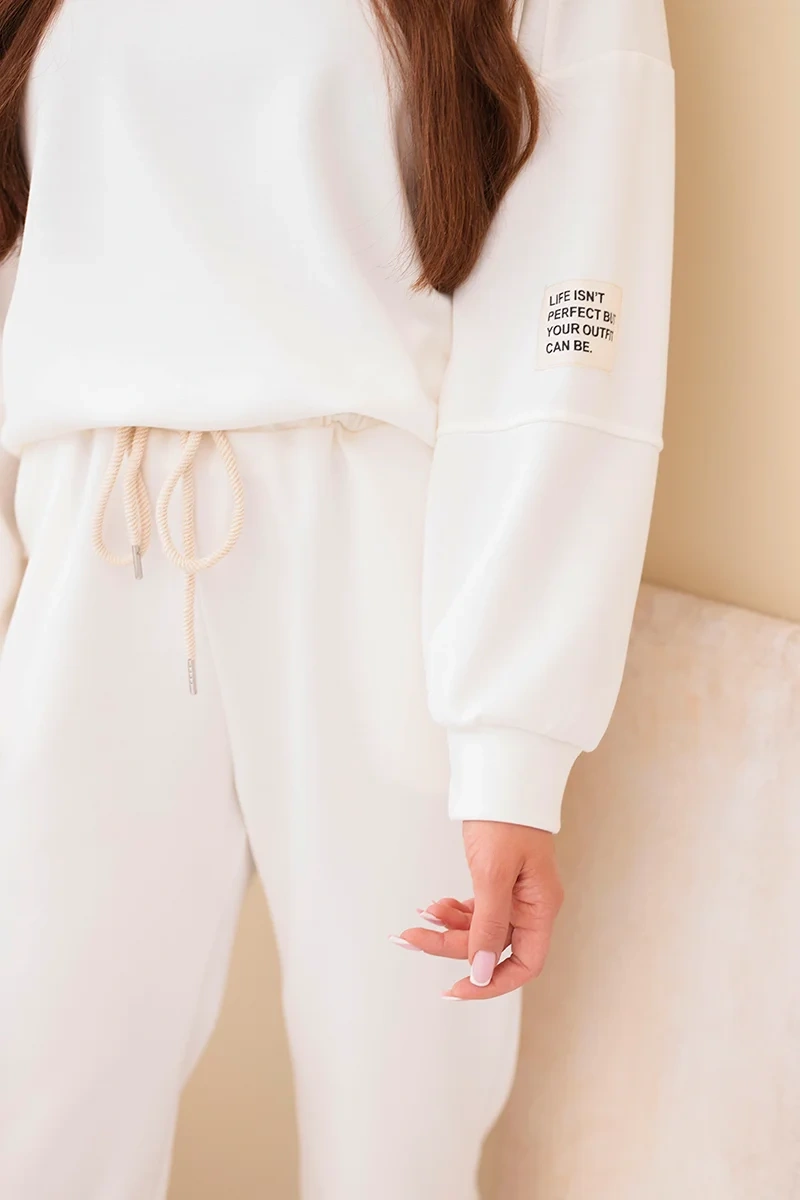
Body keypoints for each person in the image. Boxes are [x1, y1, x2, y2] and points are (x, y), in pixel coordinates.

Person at [0, 0, 674, 1196]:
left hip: (386, 567)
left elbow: (566, 333)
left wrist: (511, 747)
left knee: (397, 1133)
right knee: (29, 1112)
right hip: (83, 539)